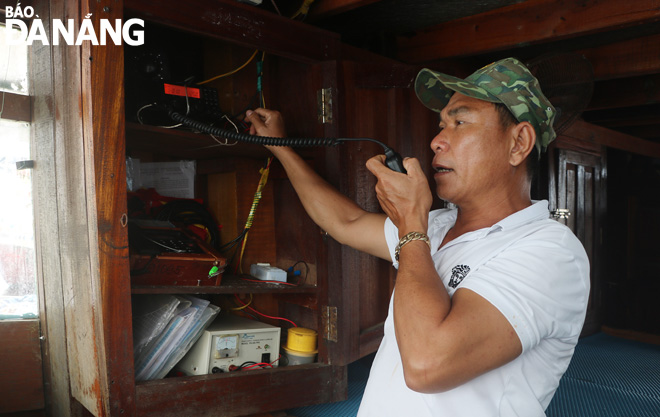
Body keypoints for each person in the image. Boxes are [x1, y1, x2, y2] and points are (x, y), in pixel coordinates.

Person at [245, 57, 590, 417]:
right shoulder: (437, 226)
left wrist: (411, 226)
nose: (437, 140)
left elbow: (429, 365)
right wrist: (280, 147)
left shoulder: (551, 251)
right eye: (441, 125)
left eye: (459, 122)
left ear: (518, 143)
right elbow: (345, 222)